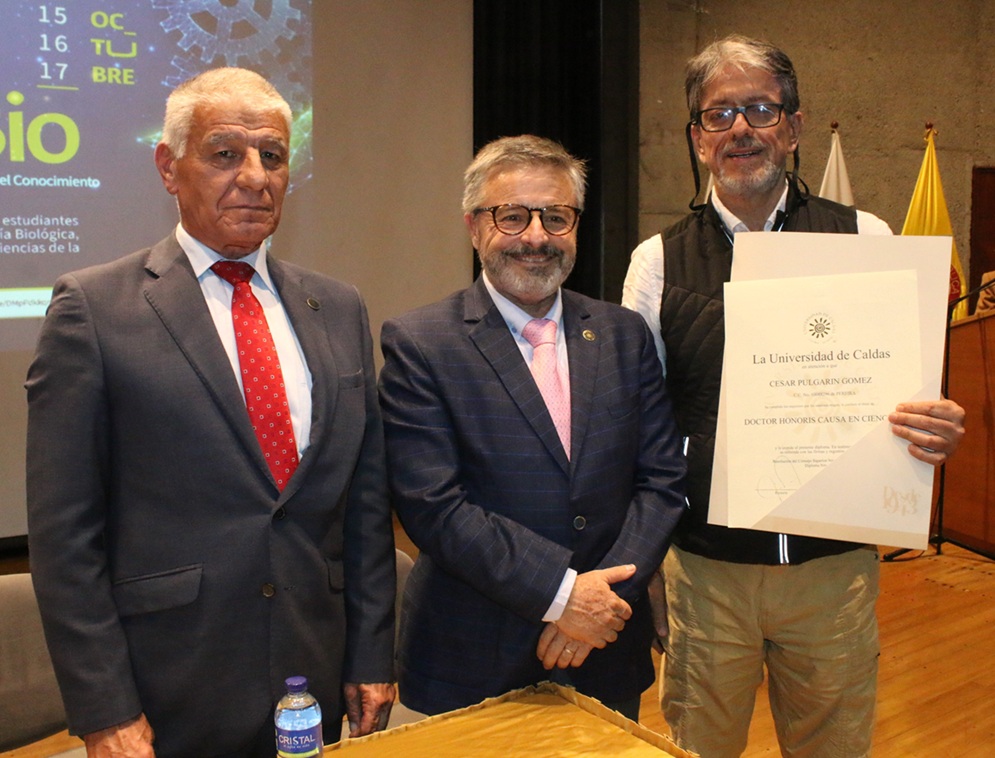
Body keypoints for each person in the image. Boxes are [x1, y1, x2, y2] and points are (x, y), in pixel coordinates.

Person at [26, 68, 396, 757]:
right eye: (225, 153)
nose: (255, 176)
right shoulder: (94, 309)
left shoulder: (337, 307)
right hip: (169, 687)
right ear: (169, 167)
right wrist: (105, 708)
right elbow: (64, 537)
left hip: (312, 673)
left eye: (273, 155)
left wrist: (372, 654)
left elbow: (366, 507)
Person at [623, 36, 966, 757]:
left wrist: (929, 426)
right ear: (695, 138)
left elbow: (903, 401)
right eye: (718, 114)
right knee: (698, 747)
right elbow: (641, 425)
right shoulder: (654, 262)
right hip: (707, 570)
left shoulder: (863, 237)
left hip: (831, 571)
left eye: (759, 109)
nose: (739, 129)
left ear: (794, 126)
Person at [378, 135, 686, 721]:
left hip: (606, 649)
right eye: (512, 217)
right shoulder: (421, 344)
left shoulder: (624, 335)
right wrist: (563, 595)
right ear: (474, 227)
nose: (537, 237)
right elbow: (433, 505)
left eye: (556, 216)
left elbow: (662, 481)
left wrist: (602, 603)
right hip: (472, 656)